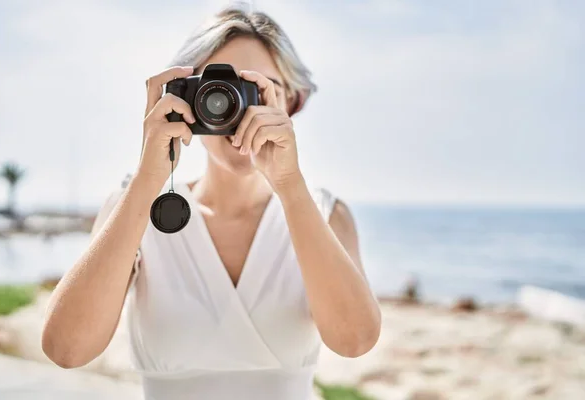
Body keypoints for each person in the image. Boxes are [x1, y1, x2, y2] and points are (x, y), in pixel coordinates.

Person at [41, 5, 381, 399]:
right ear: (183, 99)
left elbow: (355, 341)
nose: (237, 109)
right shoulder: (135, 207)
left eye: (257, 89)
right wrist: (149, 178)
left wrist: (290, 186)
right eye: (220, 89)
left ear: (291, 101)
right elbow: (66, 349)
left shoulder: (327, 215)